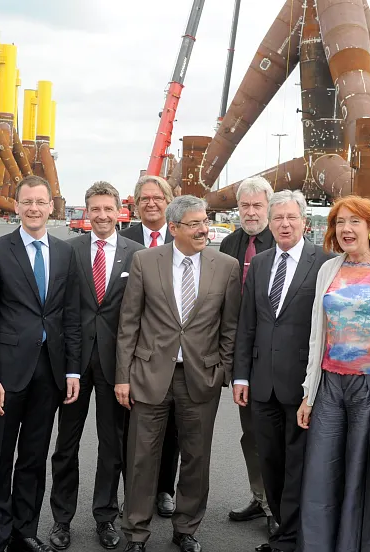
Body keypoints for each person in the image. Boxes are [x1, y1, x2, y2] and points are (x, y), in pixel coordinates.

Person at [116, 195, 240, 552]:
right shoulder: (144, 261)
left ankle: (186, 528)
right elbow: (129, 323)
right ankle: (136, 533)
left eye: (205, 221)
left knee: (196, 458)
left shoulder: (226, 266)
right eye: (196, 223)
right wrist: (123, 376)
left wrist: (223, 370)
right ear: (174, 228)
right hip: (149, 374)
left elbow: (230, 326)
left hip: (201, 377)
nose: (204, 229)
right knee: (141, 458)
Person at [297, 195, 370, 552]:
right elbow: (319, 333)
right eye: (340, 223)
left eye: (355, 222)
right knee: (320, 474)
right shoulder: (328, 270)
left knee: (363, 476)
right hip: (331, 383)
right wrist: (308, 392)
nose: (346, 229)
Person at [0, 175, 82, 552]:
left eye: (41, 202)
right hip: (6, 374)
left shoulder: (66, 252)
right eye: (27, 202)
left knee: (34, 457)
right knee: (1, 458)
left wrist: (72, 370)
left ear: (52, 206)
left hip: (49, 371)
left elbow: (70, 315)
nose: (34, 208)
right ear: (17, 206)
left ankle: (24, 530)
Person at [232, 190, 333, 552]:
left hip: (302, 385)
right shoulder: (259, 264)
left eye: (291, 218)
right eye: (278, 218)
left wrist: (317, 383)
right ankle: (281, 526)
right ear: (269, 224)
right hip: (261, 384)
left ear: (305, 222)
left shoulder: (324, 263)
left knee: (299, 464)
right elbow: (248, 323)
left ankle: (289, 538)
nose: (284, 224)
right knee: (270, 462)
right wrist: (240, 375)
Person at [48, 182, 144, 551]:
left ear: (120, 211)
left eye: (108, 209)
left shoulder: (137, 255)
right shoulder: (68, 252)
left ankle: (105, 515)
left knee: (112, 444)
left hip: (115, 366)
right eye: (95, 209)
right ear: (85, 212)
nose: (102, 216)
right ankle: (62, 518)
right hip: (73, 364)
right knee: (66, 444)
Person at [219, 176, 277, 534]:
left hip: (275, 356)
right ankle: (260, 497)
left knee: (275, 434)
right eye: (245, 206)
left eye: (257, 206)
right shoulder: (229, 243)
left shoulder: (284, 241)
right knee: (250, 433)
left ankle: (277, 505)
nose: (251, 212)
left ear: (268, 207)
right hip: (241, 353)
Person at [119, 174, 180, 517]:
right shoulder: (124, 243)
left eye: (158, 198)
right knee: (134, 430)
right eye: (145, 199)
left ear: (168, 201)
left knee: (171, 428)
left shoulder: (184, 239)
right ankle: (135, 492)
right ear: (136, 204)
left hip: (173, 355)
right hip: (137, 354)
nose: (151, 204)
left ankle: (164, 490)